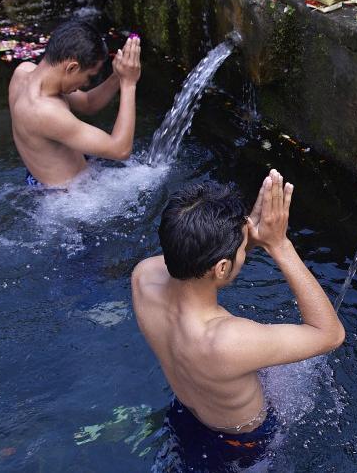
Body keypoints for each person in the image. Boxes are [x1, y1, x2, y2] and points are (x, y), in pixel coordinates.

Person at [132, 169, 345, 470]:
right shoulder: (227, 341)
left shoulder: (143, 277)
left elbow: (196, 259)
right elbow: (330, 334)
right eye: (243, 250)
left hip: (185, 417)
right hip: (240, 447)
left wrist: (241, 242)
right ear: (221, 267)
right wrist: (279, 245)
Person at [8, 19, 141, 187]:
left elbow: (88, 103)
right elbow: (120, 150)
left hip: (42, 177)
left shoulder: (23, 72)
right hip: (68, 198)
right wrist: (129, 84)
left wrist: (118, 76)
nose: (86, 84)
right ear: (71, 68)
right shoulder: (44, 112)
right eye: (89, 77)